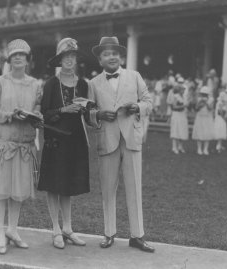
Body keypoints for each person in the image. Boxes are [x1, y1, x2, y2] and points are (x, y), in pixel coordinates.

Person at [87, 36, 154, 252]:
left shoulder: (134, 76)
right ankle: (109, 233)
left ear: (121, 56)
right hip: (107, 139)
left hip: (131, 138)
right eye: (106, 54)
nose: (112, 57)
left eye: (115, 53)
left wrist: (137, 107)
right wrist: (98, 114)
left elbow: (148, 101)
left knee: (134, 187)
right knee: (108, 189)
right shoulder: (93, 83)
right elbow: (87, 112)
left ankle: (137, 235)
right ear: (100, 60)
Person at [0, 39, 42, 255]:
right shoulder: (0, 82)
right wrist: (9, 116)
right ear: (9, 60)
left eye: (22, 55)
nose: (18, 58)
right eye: (14, 55)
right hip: (1, 143)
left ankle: (12, 230)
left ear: (27, 60)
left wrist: (36, 117)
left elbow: (37, 109)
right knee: (0, 191)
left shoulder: (36, 84)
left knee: (18, 191)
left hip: (24, 144)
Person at [37, 38, 89, 249]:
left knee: (68, 185)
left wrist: (87, 109)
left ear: (76, 60)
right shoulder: (51, 83)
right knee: (54, 185)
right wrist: (62, 110)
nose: (69, 60)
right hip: (56, 140)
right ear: (60, 60)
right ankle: (56, 229)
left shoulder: (84, 84)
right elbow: (44, 114)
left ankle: (68, 228)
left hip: (75, 140)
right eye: (65, 57)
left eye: (72, 57)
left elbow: (89, 112)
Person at [192, 86, 215, 155]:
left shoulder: (211, 99)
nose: (204, 95)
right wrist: (200, 103)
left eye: (205, 94)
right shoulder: (199, 99)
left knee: (207, 133)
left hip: (207, 117)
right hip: (200, 117)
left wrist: (206, 102)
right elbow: (196, 108)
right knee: (199, 132)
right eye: (203, 93)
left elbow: (210, 108)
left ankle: (205, 149)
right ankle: (199, 148)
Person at [169, 84, 189, 154]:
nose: (184, 91)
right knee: (176, 130)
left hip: (182, 115)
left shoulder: (184, 97)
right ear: (179, 90)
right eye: (182, 89)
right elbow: (173, 107)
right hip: (176, 115)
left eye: (184, 89)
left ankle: (180, 147)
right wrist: (183, 106)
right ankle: (174, 147)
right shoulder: (175, 97)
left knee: (182, 130)